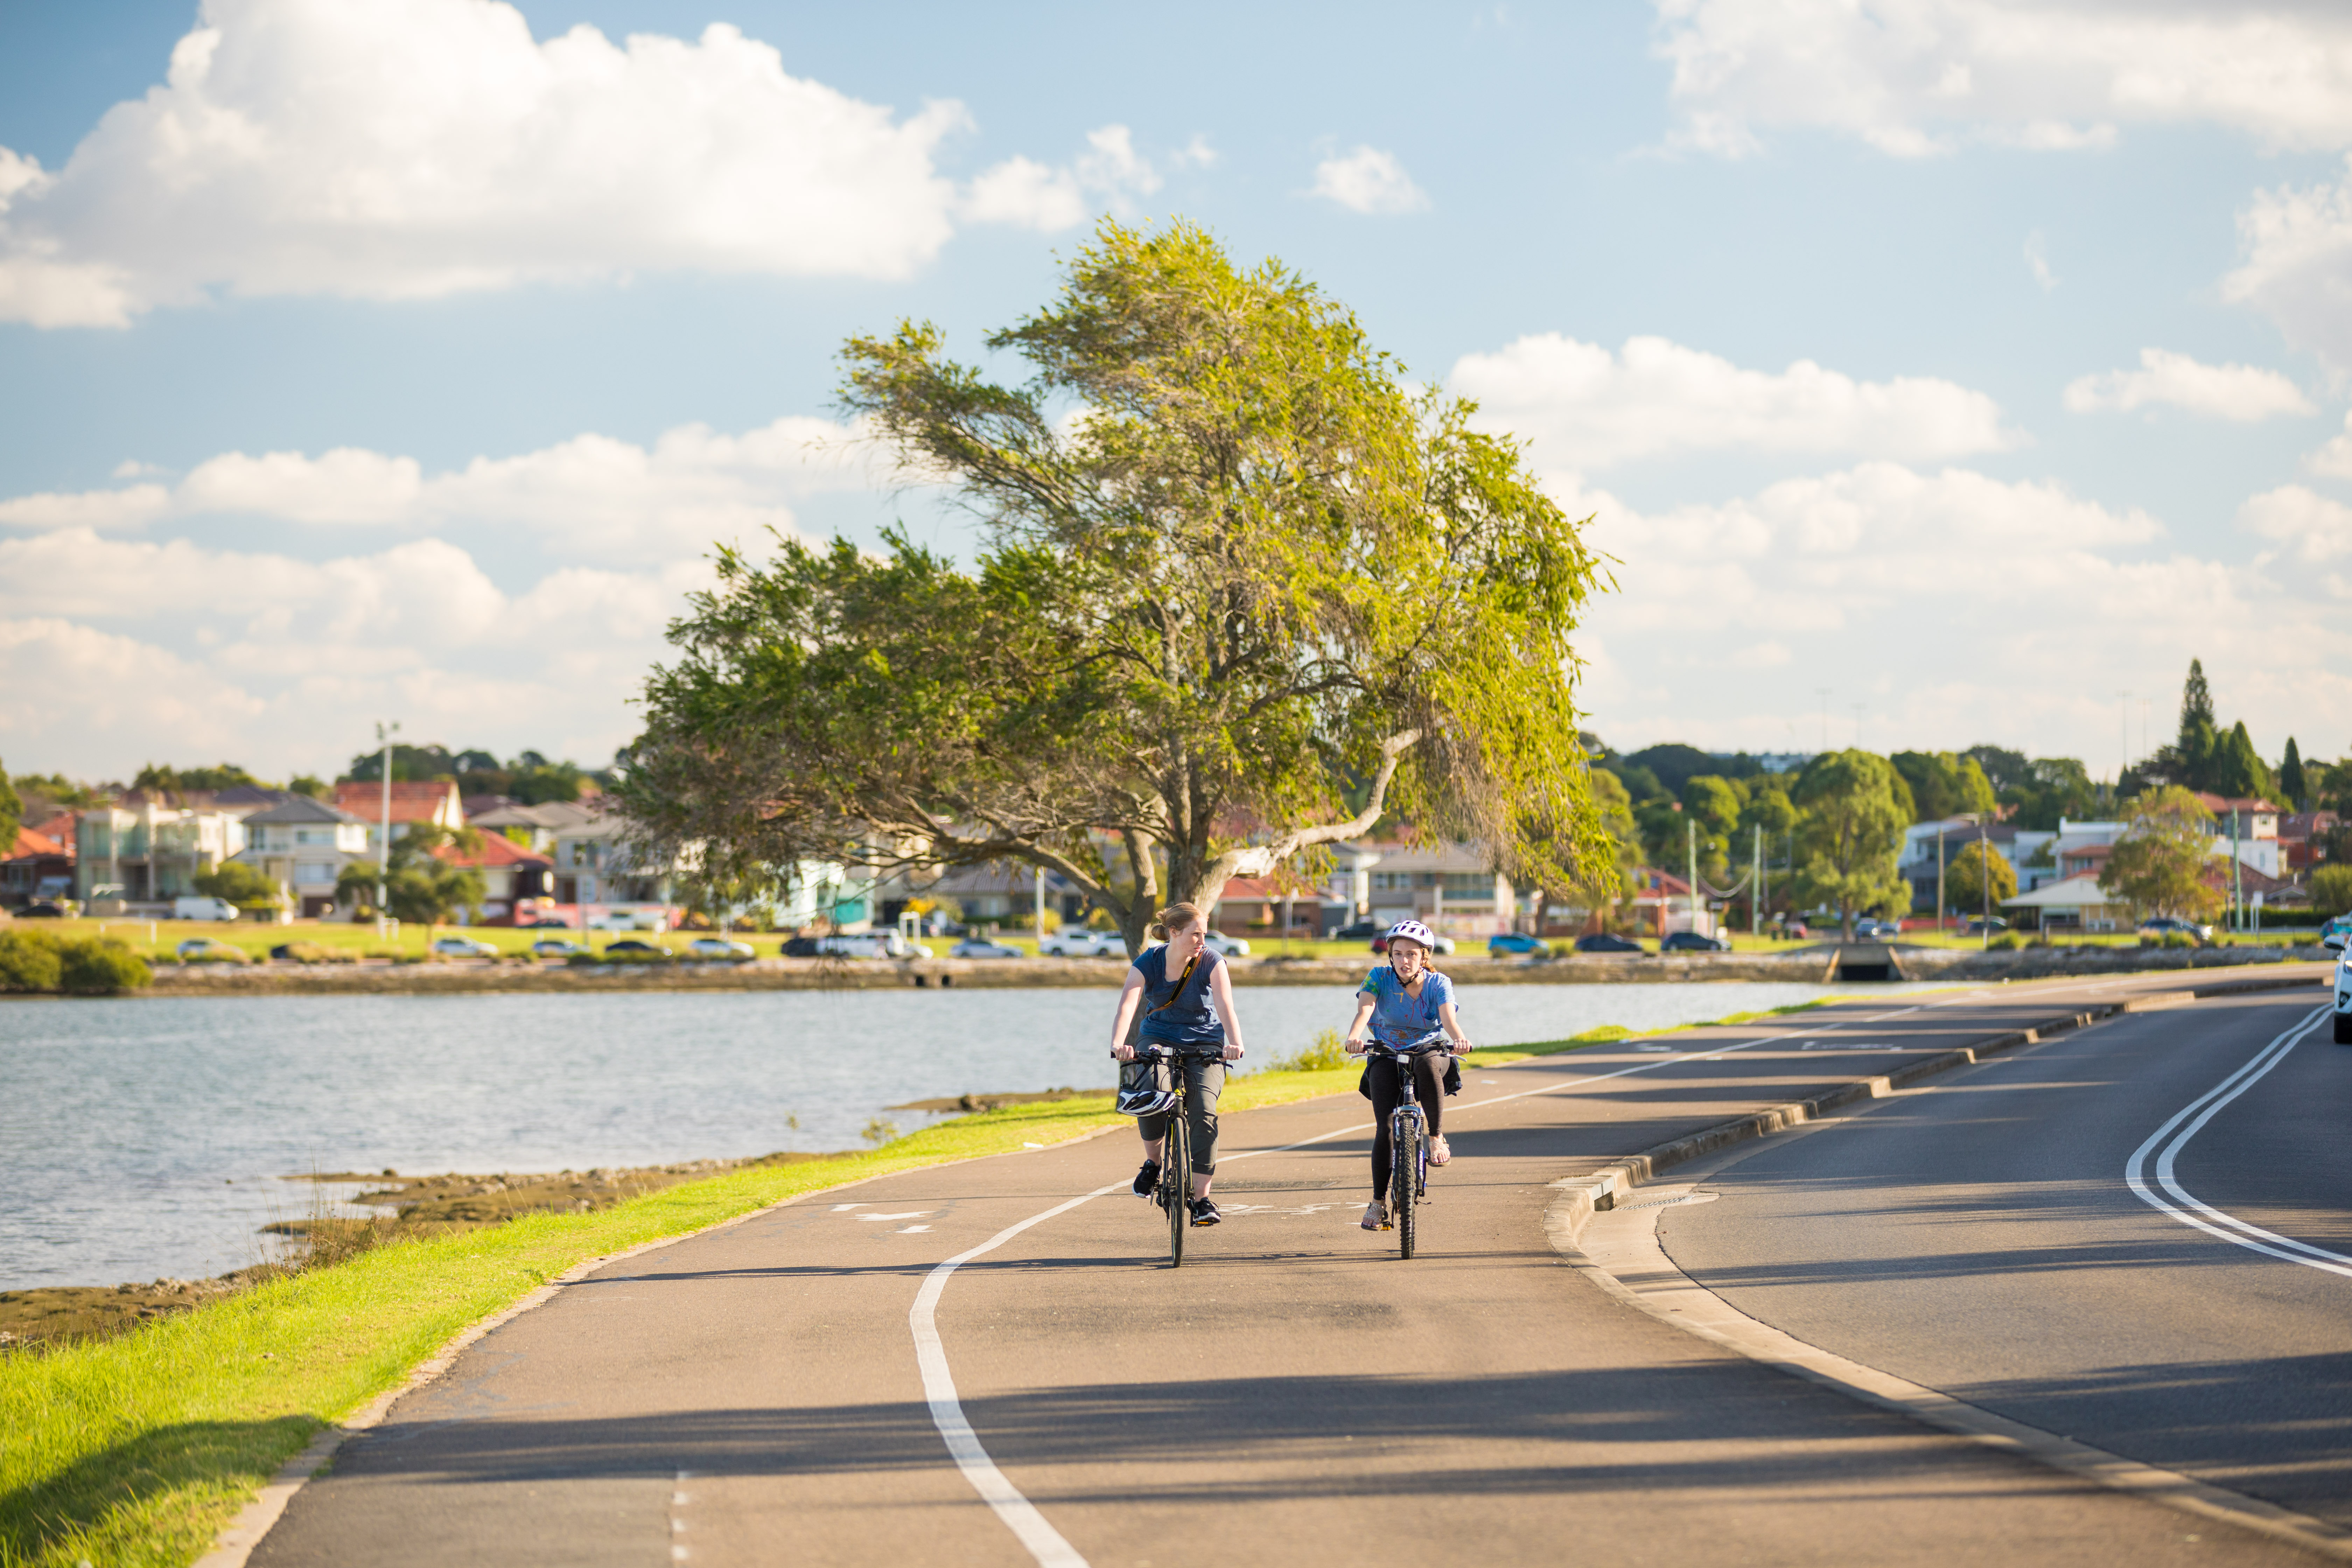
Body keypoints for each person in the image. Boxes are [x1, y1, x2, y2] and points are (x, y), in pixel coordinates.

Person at [1109, 902, 1247, 1226]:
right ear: (1174, 933)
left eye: (1204, 933)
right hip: (1158, 1037)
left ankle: (1202, 1200)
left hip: (1206, 1043)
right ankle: (1153, 1163)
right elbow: (1129, 1002)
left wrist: (1234, 1043)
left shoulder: (1212, 961)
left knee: (1204, 1110)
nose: (1202, 939)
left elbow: (1226, 1005)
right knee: (1153, 1093)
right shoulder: (1150, 962)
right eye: (1195, 933)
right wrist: (1119, 1043)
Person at [1343, 919, 1470, 1232]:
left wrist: (1460, 1039)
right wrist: (1355, 1037)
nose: (1404, 961)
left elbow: (1448, 1019)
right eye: (1398, 954)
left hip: (1429, 1050)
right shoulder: (1378, 978)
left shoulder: (1439, 983)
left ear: (1424, 957)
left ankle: (1436, 1138)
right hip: (1386, 1050)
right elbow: (1365, 1011)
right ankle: (1377, 1203)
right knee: (1384, 1127)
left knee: (1428, 1065)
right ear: (1390, 955)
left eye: (1412, 954)